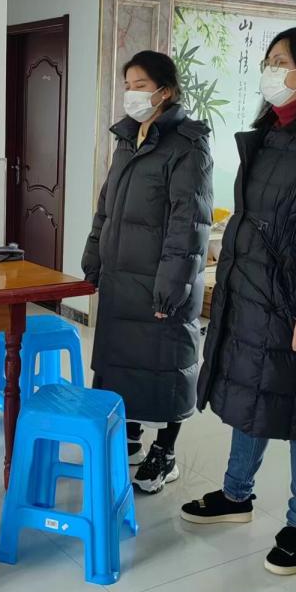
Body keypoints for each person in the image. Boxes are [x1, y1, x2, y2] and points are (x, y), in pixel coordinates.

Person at [183, 27, 296, 576]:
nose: (270, 70)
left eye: (281, 61)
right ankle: (236, 495)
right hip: (254, 295)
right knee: (254, 396)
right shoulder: (270, 133)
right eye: (268, 60)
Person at [82, 50, 213, 495]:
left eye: (140, 85)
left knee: (167, 365)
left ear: (165, 91)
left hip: (163, 279)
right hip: (122, 276)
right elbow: (107, 207)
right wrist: (93, 256)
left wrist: (173, 285)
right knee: (124, 361)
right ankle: (132, 437)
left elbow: (189, 223)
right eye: (128, 85)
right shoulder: (126, 138)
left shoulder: (188, 145)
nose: (131, 94)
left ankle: (166, 452)